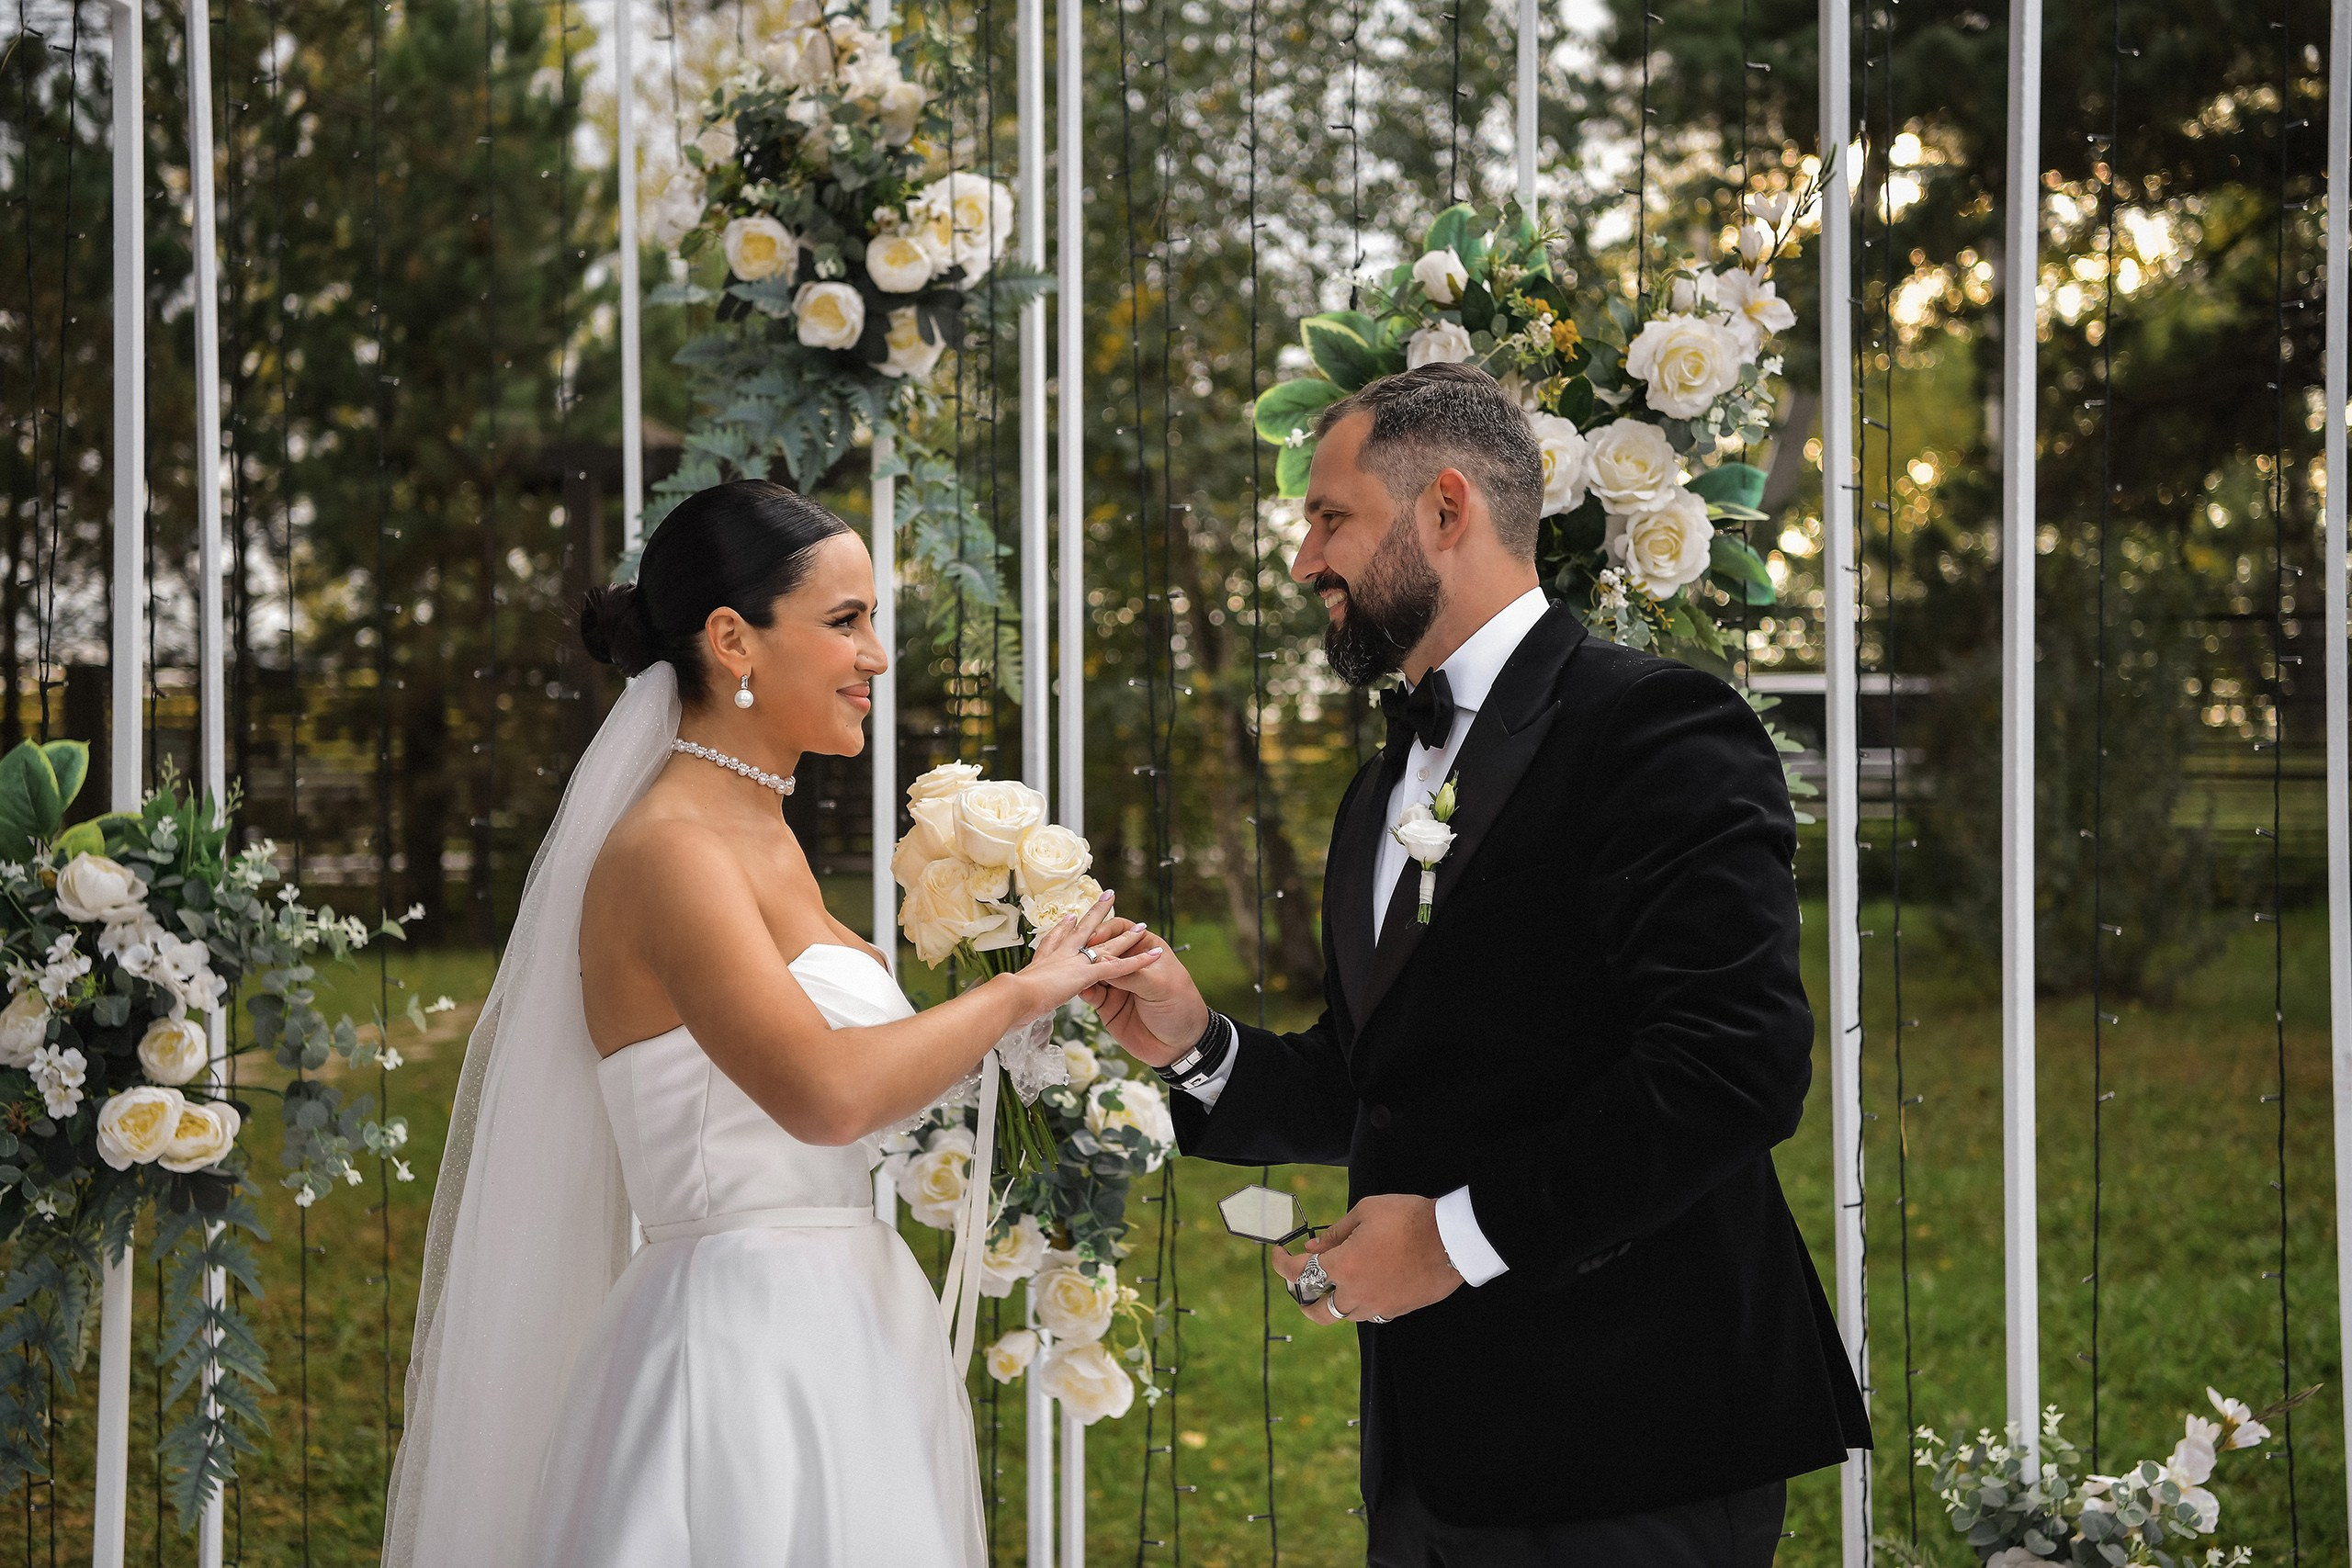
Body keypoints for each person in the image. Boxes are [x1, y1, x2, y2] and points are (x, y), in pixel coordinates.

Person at [1085, 363, 1871, 1566]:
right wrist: (1193, 1045)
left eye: (1330, 516)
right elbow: (1380, 1079)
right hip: (1432, 1460)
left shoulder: (1658, 728)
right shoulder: (1374, 792)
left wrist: (1451, 1239)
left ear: (1445, 508)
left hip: (1633, 1443)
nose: (1304, 560)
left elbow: (1734, 1069)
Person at [381, 479, 1162, 1567]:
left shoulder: (763, 833)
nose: (877, 656)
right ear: (733, 641)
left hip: (846, 1324)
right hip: (741, 1344)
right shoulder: (672, 851)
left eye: (873, 621)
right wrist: (1019, 990)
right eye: (845, 622)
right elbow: (825, 1094)